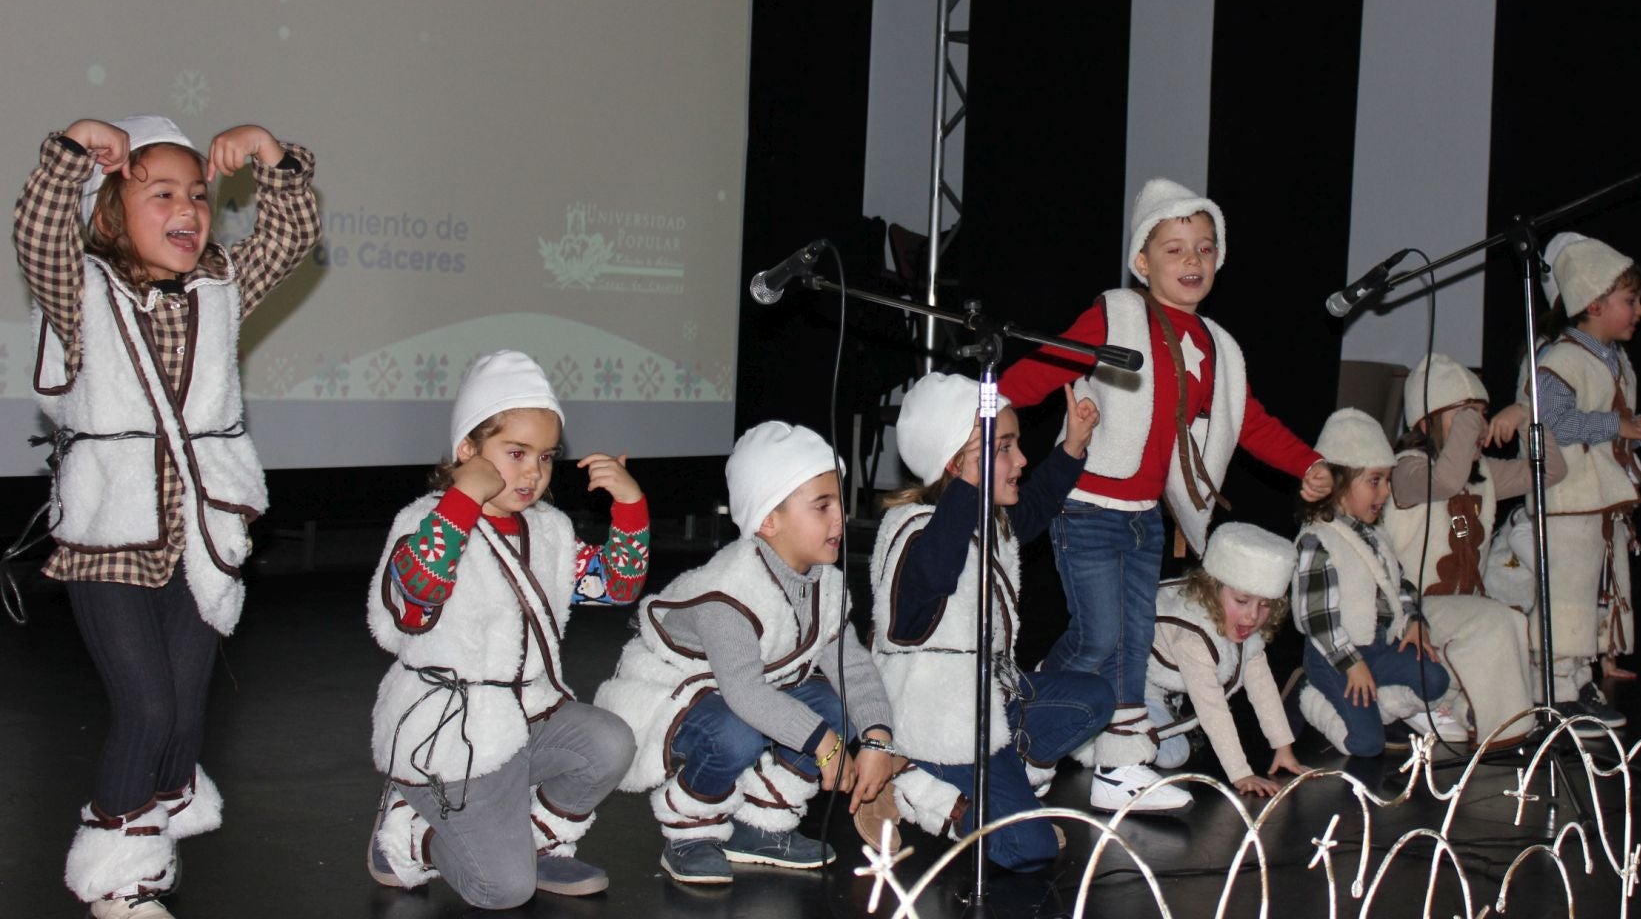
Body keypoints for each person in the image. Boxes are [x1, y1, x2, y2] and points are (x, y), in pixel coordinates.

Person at [17, 116, 317, 919]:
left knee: (183, 709)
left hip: (203, 533)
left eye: (198, 194)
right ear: (112, 210)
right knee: (145, 705)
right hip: (108, 530)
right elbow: (39, 228)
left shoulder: (223, 284)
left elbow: (292, 234)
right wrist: (75, 151)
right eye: (161, 193)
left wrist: (268, 154)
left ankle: (158, 802)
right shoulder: (78, 286)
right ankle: (116, 864)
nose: (188, 207)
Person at [999, 177, 1330, 810]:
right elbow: (1047, 364)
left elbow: (1246, 419)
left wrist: (1306, 462)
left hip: (1146, 517)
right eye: (1174, 248)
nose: (1192, 261)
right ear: (1141, 262)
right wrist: (986, 409)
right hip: (1089, 507)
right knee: (1098, 638)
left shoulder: (1217, 348)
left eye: (1205, 249)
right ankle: (1030, 713)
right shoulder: (1116, 314)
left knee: (1126, 639)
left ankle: (1116, 767)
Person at [366, 351, 650, 909]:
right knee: (503, 890)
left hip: (526, 716)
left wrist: (631, 506)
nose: (532, 473)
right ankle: (406, 833)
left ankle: (540, 842)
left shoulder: (550, 530)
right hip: (448, 734)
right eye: (515, 453)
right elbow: (416, 600)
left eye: (545, 457)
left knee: (610, 741)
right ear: (466, 451)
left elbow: (615, 587)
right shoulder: (425, 520)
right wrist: (463, 500)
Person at [594, 422, 895, 886]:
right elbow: (745, 695)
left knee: (838, 706)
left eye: (838, 502)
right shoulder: (729, 592)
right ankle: (690, 832)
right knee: (738, 733)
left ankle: (759, 827)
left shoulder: (824, 581)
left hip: (741, 696)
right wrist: (825, 744)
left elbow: (850, 666)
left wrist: (876, 738)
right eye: (822, 505)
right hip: (675, 697)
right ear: (768, 520)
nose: (840, 519)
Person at [864, 374, 1113, 868]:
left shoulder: (988, 523)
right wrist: (969, 482)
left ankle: (998, 779)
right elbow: (935, 571)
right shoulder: (915, 532)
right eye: (1004, 448)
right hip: (937, 720)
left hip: (987, 704)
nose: (1021, 459)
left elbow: (1036, 506)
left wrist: (1072, 447)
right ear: (958, 465)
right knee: (1029, 848)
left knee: (1094, 699)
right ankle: (924, 791)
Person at [1502, 234, 1641, 730]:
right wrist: (1619, 426)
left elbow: (1603, 421)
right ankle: (1558, 690)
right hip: (1565, 501)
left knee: (1588, 592)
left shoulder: (1614, 360)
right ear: (1594, 303)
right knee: (1566, 594)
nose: (1639, 311)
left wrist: (1635, 434)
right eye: (1630, 301)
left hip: (1594, 503)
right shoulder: (1561, 359)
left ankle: (1576, 680)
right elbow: (1553, 423)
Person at [1384, 355, 1558, 748]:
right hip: (1410, 609)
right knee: (1496, 621)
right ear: (1425, 424)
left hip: (1460, 608)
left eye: (1482, 413)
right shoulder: (1404, 469)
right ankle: (1508, 734)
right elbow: (1445, 480)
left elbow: (1548, 473)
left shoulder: (1483, 476)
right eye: (1463, 415)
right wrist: (1470, 422)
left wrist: (1530, 418)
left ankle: (1466, 711)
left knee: (1508, 620)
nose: (1477, 424)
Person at [1292, 409, 1456, 759]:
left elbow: (1401, 583)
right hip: (1335, 656)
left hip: (1378, 647)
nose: (1384, 492)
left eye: (1387, 481)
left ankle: (1375, 706)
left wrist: (1414, 620)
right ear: (1338, 481)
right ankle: (1310, 697)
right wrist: (1352, 663)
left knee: (1436, 679)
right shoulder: (1317, 539)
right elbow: (1316, 618)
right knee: (1367, 746)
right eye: (1374, 481)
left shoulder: (1375, 535)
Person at [1144, 522, 1305, 799]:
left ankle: (1159, 718)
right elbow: (1212, 707)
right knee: (1173, 755)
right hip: (1133, 683)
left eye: (1265, 605)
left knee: (1178, 746)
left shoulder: (1243, 626)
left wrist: (1284, 748)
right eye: (1242, 600)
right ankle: (1107, 732)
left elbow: (1263, 688)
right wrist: (1241, 774)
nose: (1253, 616)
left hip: (1167, 692)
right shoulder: (1194, 637)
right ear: (1211, 590)